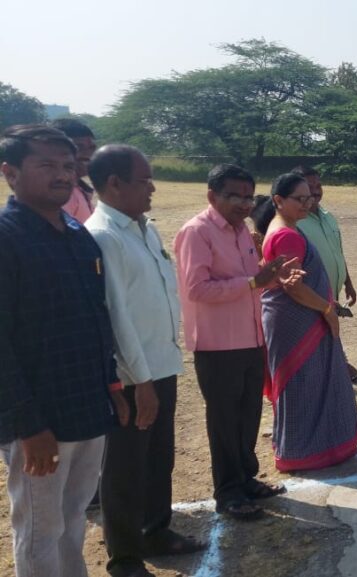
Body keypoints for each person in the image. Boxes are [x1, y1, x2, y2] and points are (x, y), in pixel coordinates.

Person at [0, 125, 124, 577]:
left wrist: (111, 384)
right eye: (47, 165)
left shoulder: (76, 232)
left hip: (88, 405)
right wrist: (27, 425)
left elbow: (96, 318)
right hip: (39, 421)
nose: (62, 175)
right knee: (39, 528)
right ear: (10, 173)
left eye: (68, 166)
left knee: (74, 521)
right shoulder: (7, 237)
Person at [85, 145, 202, 577]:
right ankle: (125, 556)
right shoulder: (102, 236)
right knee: (124, 466)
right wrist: (141, 380)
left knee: (158, 458)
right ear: (114, 184)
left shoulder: (144, 229)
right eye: (144, 180)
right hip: (134, 376)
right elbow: (116, 316)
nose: (152, 187)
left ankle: (156, 530)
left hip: (161, 364)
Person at [174, 164, 296, 521]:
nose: (244, 204)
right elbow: (196, 289)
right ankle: (228, 492)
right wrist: (254, 282)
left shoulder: (242, 231)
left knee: (247, 415)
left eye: (247, 196)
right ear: (212, 196)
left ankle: (245, 479)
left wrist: (274, 278)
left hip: (250, 337)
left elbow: (251, 281)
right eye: (234, 196)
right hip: (217, 345)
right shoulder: (197, 233)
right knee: (225, 420)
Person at [253, 172, 357, 471]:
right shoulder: (287, 234)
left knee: (306, 384)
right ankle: (305, 451)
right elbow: (294, 286)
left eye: (309, 197)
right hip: (299, 320)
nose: (307, 203)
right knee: (305, 384)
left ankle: (307, 447)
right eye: (299, 199)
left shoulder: (282, 228)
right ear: (278, 201)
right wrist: (327, 309)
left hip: (295, 317)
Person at [295, 164, 357, 383]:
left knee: (330, 326)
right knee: (313, 334)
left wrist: (348, 282)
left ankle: (337, 362)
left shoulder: (328, 216)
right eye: (309, 187)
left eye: (318, 185)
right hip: (310, 293)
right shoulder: (296, 222)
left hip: (331, 290)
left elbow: (337, 251)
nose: (315, 191)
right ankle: (330, 368)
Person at [52, 118, 97, 222]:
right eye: (79, 147)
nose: (88, 155)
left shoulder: (78, 189)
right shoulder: (62, 195)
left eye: (92, 148)